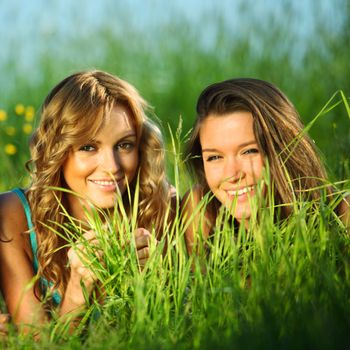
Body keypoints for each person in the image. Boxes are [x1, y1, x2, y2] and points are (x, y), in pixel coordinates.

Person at [0, 70, 175, 331]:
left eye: (125, 145)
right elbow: (35, 344)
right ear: (57, 150)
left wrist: (156, 276)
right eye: (88, 147)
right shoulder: (12, 215)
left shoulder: (159, 205)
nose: (111, 166)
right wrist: (77, 291)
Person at [182, 78, 349, 255]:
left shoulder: (342, 215)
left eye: (249, 151)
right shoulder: (201, 210)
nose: (232, 174)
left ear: (285, 149)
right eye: (215, 157)